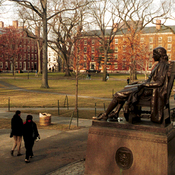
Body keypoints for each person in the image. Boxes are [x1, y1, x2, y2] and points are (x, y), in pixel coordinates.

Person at [93, 47, 169, 124]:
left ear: (159, 55)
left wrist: (143, 85)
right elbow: (152, 80)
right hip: (149, 88)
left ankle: (105, 114)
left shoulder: (162, 66)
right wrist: (139, 82)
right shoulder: (160, 64)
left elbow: (159, 83)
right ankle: (116, 112)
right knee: (127, 87)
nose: (152, 57)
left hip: (151, 91)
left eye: (154, 54)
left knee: (118, 94)